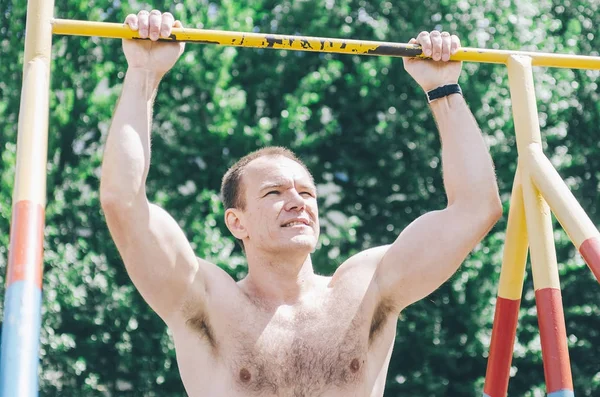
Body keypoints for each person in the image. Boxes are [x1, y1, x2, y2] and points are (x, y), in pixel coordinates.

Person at [100, 9, 502, 397]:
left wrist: (443, 90)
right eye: (274, 193)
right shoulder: (207, 299)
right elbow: (123, 201)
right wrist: (143, 74)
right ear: (236, 222)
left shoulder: (365, 289)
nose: (297, 202)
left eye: (306, 193)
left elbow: (475, 209)